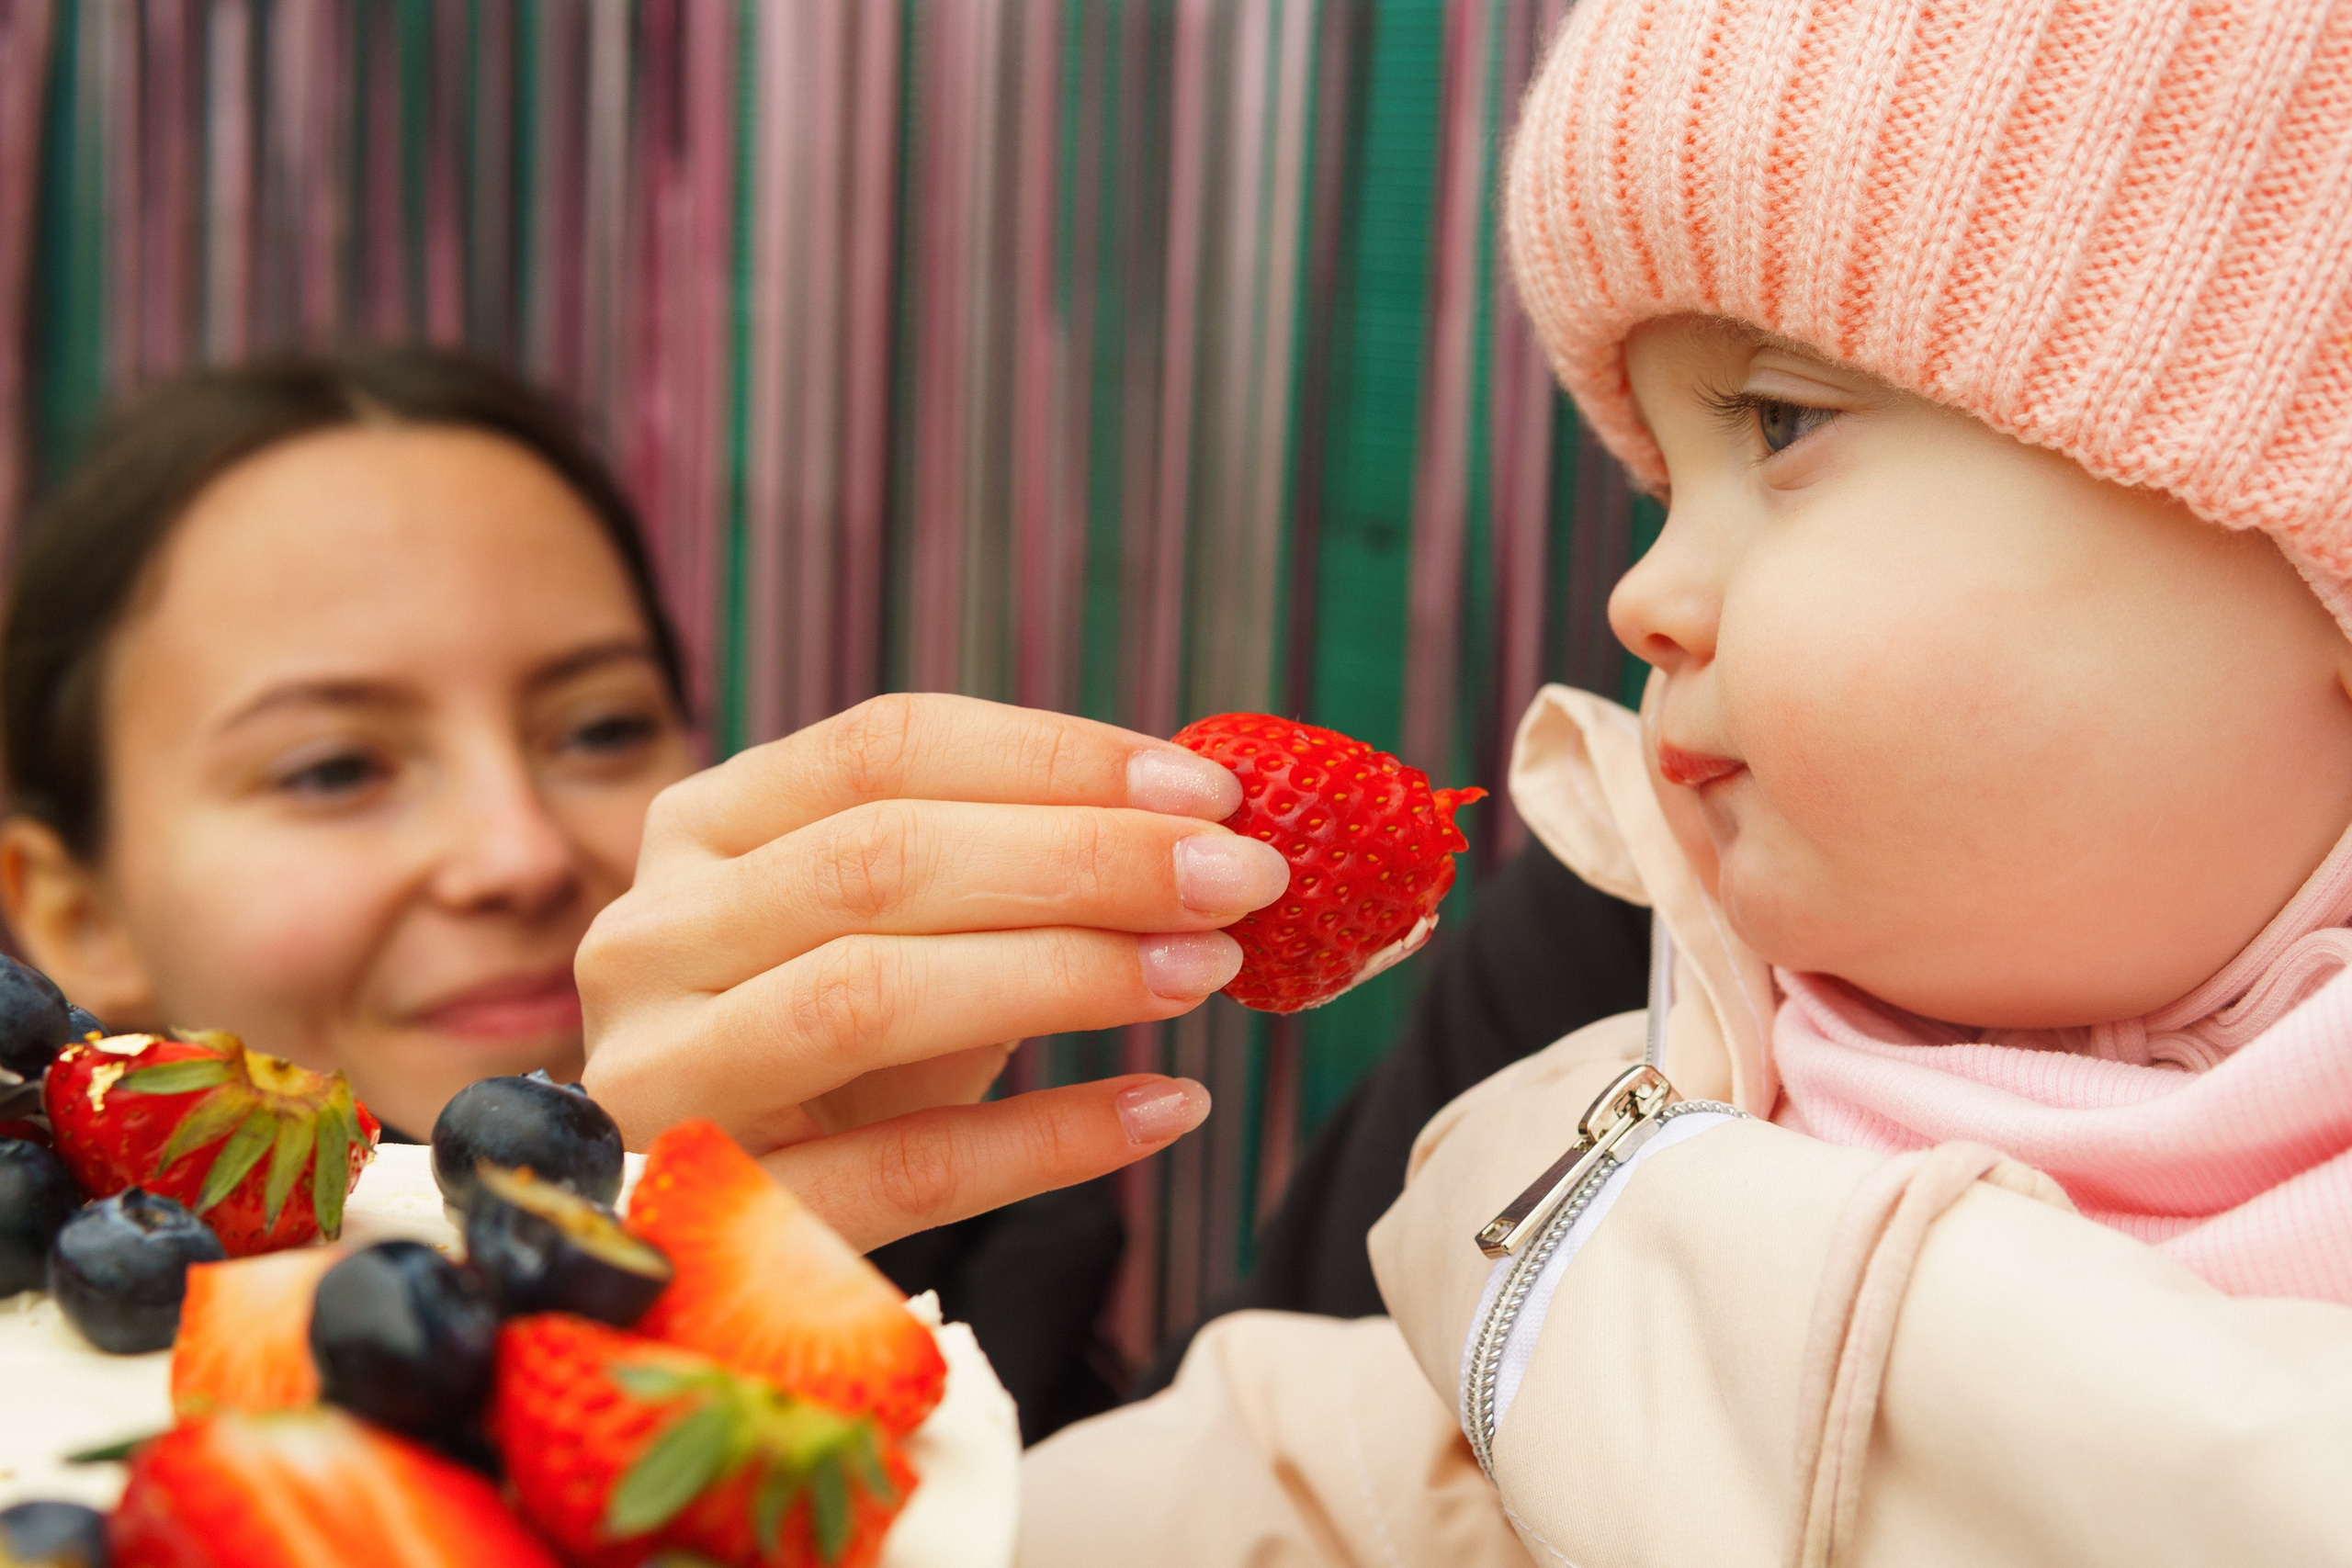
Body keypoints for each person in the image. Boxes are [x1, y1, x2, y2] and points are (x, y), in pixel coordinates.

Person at [1023, 0, 2352, 1559]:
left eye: (1783, 422)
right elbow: (1315, 1478)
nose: (1636, 597)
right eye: (1659, 483)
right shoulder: (1620, 1154)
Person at [0, 344, 1242, 1269]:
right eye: (335, 769)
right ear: (73, 911)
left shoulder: (982, 1272)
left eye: (600, 730)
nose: (521, 854)